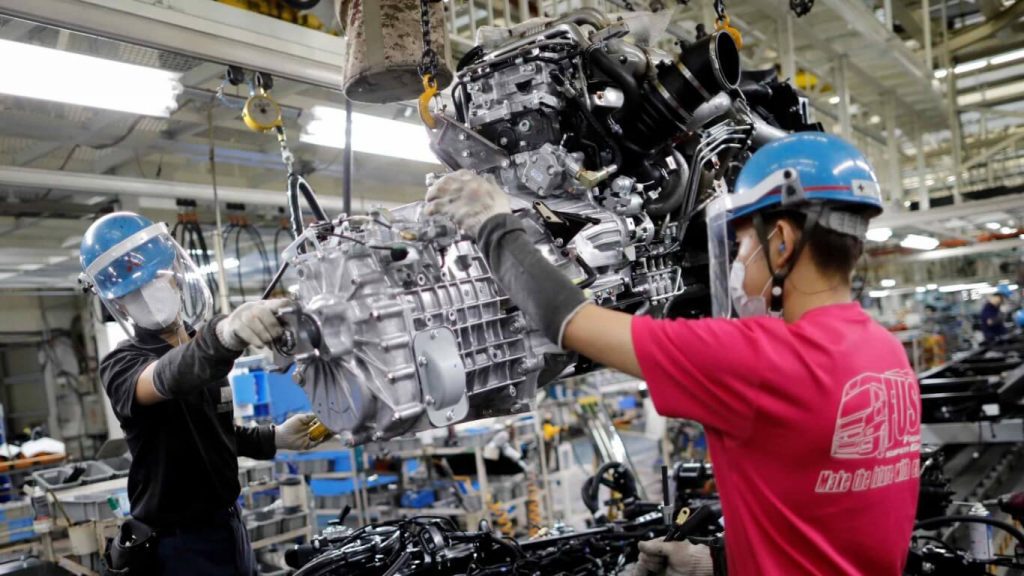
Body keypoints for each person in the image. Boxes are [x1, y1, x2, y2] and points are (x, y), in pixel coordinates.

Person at [425, 133, 921, 576]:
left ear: (783, 241)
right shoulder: (888, 355)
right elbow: (828, 522)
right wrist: (723, 562)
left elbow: (567, 320)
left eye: (745, 238)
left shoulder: (758, 358)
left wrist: (491, 223)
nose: (738, 255)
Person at [79, 212, 324, 576]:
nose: (147, 293)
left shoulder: (201, 348)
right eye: (132, 292)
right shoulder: (123, 364)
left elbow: (214, 431)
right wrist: (224, 336)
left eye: (155, 277)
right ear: (120, 305)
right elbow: (169, 377)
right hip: (176, 543)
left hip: (229, 524)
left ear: (175, 276)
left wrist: (275, 436)